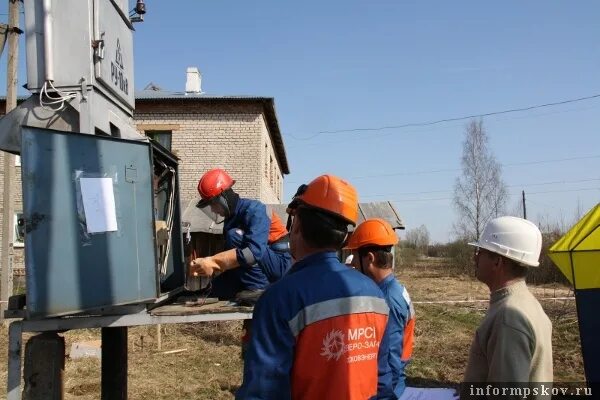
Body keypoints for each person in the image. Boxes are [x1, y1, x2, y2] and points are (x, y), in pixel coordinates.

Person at [236, 174, 394, 400]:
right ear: (343, 239)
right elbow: (383, 382)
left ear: (297, 225)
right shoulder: (376, 295)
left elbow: (262, 392)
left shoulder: (279, 300)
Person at [462, 216, 553, 398]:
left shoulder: (508, 317)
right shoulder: (525, 304)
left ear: (498, 262)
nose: (475, 256)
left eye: (481, 251)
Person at [189, 168, 292, 304]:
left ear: (224, 198)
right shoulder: (230, 219)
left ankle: (258, 288)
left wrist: (213, 261)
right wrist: (212, 285)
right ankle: (242, 287)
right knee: (215, 290)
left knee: (235, 235)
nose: (213, 210)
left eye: (213, 204)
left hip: (280, 264)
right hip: (260, 266)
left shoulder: (255, 209)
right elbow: (235, 260)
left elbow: (254, 252)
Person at [345, 218, 415, 399]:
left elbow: (390, 359)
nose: (352, 265)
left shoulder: (387, 300)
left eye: (355, 259)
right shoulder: (395, 289)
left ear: (369, 258)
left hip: (388, 389)